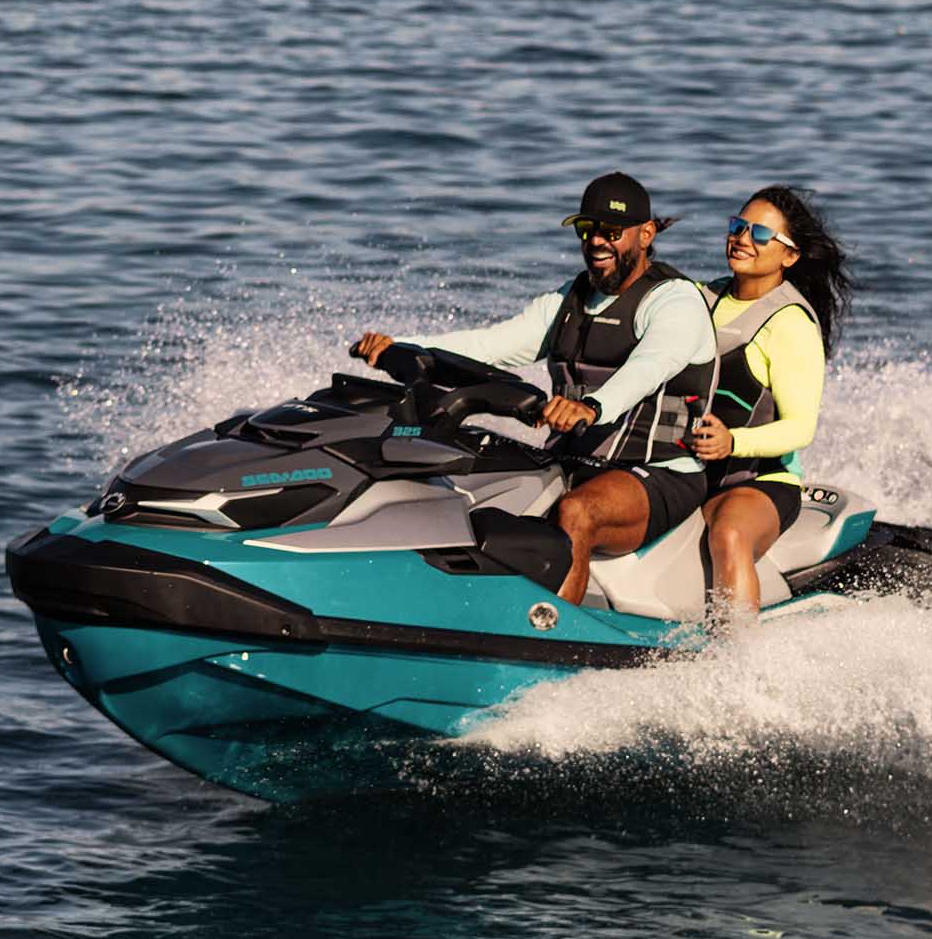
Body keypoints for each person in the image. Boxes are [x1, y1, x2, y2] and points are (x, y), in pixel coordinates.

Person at [351, 173, 717, 609]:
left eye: (612, 232)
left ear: (647, 233)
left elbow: (650, 366)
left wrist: (591, 407)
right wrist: (401, 346)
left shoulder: (675, 301)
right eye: (588, 230)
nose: (597, 242)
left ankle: (555, 641)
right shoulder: (569, 300)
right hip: (570, 461)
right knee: (458, 485)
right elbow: (491, 346)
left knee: (577, 513)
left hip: (659, 471)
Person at [684, 187, 847, 617]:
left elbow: (800, 428)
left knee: (731, 534)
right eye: (737, 227)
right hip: (683, 471)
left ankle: (738, 660)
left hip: (759, 482)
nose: (742, 238)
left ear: (789, 257)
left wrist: (732, 442)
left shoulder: (790, 323)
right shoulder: (699, 300)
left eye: (759, 233)